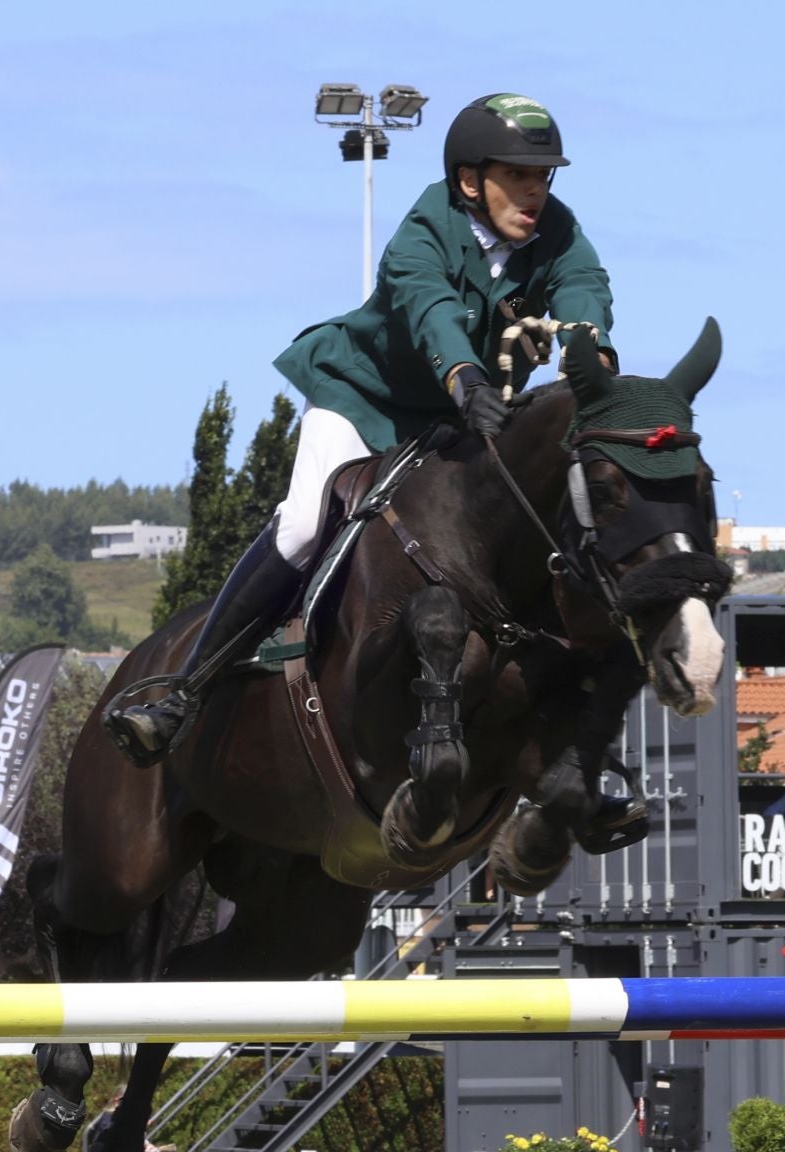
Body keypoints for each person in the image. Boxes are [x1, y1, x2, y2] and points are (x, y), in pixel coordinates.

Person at [105, 92, 615, 767]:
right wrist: (465, 378)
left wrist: (592, 355)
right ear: (470, 180)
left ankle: (577, 745)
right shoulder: (424, 231)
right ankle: (183, 693)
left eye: (543, 176)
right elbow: (432, 310)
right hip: (368, 401)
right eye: (518, 174)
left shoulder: (556, 230)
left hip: (458, 419)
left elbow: (584, 287)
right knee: (302, 526)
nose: (535, 191)